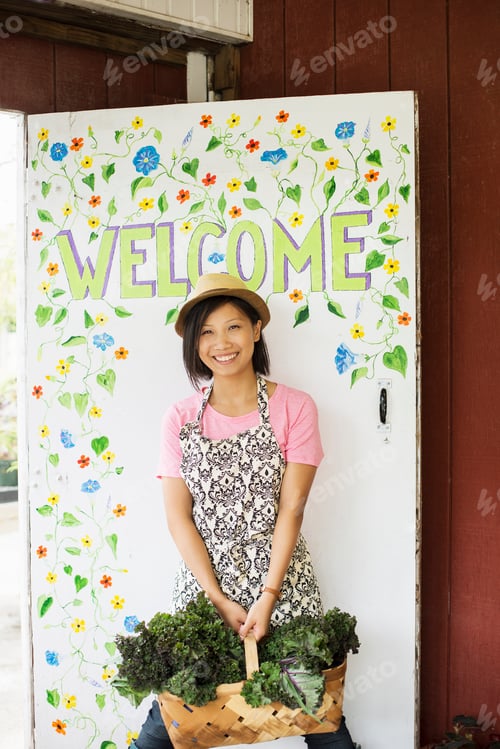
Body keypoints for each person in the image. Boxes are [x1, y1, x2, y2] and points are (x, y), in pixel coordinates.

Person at [131, 272, 355, 749]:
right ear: (194, 345)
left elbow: (291, 509)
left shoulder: (295, 407)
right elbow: (179, 518)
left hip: (282, 583)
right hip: (203, 587)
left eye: (233, 327)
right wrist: (216, 598)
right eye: (206, 333)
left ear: (256, 330)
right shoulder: (180, 417)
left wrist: (268, 596)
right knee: (172, 722)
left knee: (318, 714)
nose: (221, 343)